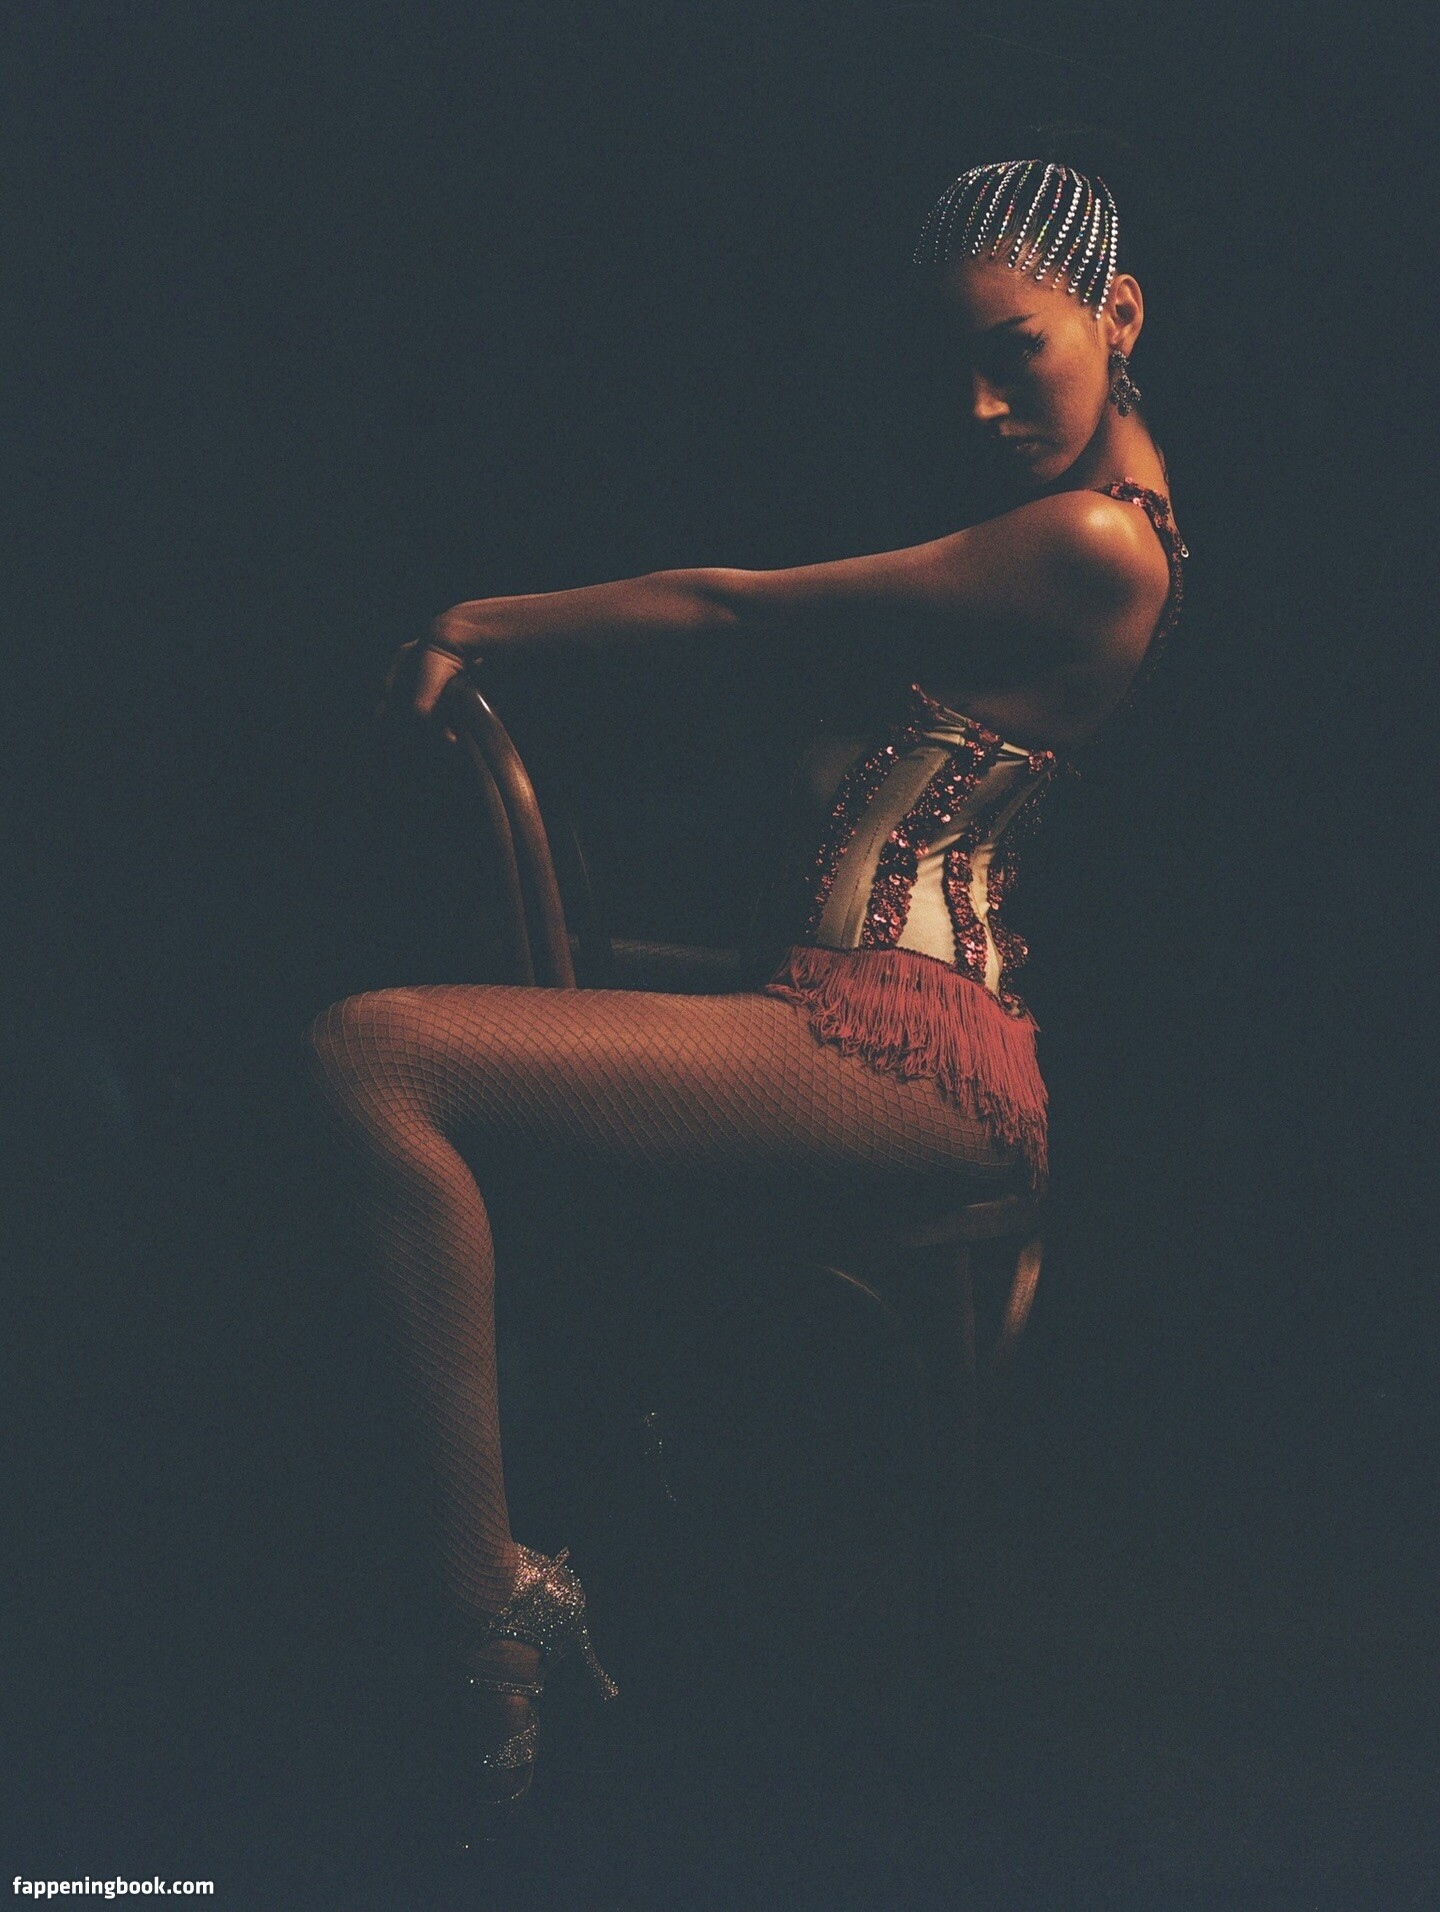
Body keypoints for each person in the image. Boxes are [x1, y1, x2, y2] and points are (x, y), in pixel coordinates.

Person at [306, 148, 1187, 1827]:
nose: (984, 402)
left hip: (908, 1058)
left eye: (1019, 349)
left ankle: (493, 1606)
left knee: (372, 1059)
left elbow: (733, 610)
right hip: (848, 1014)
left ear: (1118, 315)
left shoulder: (1090, 539)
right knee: (443, 1034)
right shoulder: (1102, 497)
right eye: (954, 362)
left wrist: (477, 619)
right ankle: (534, 1555)